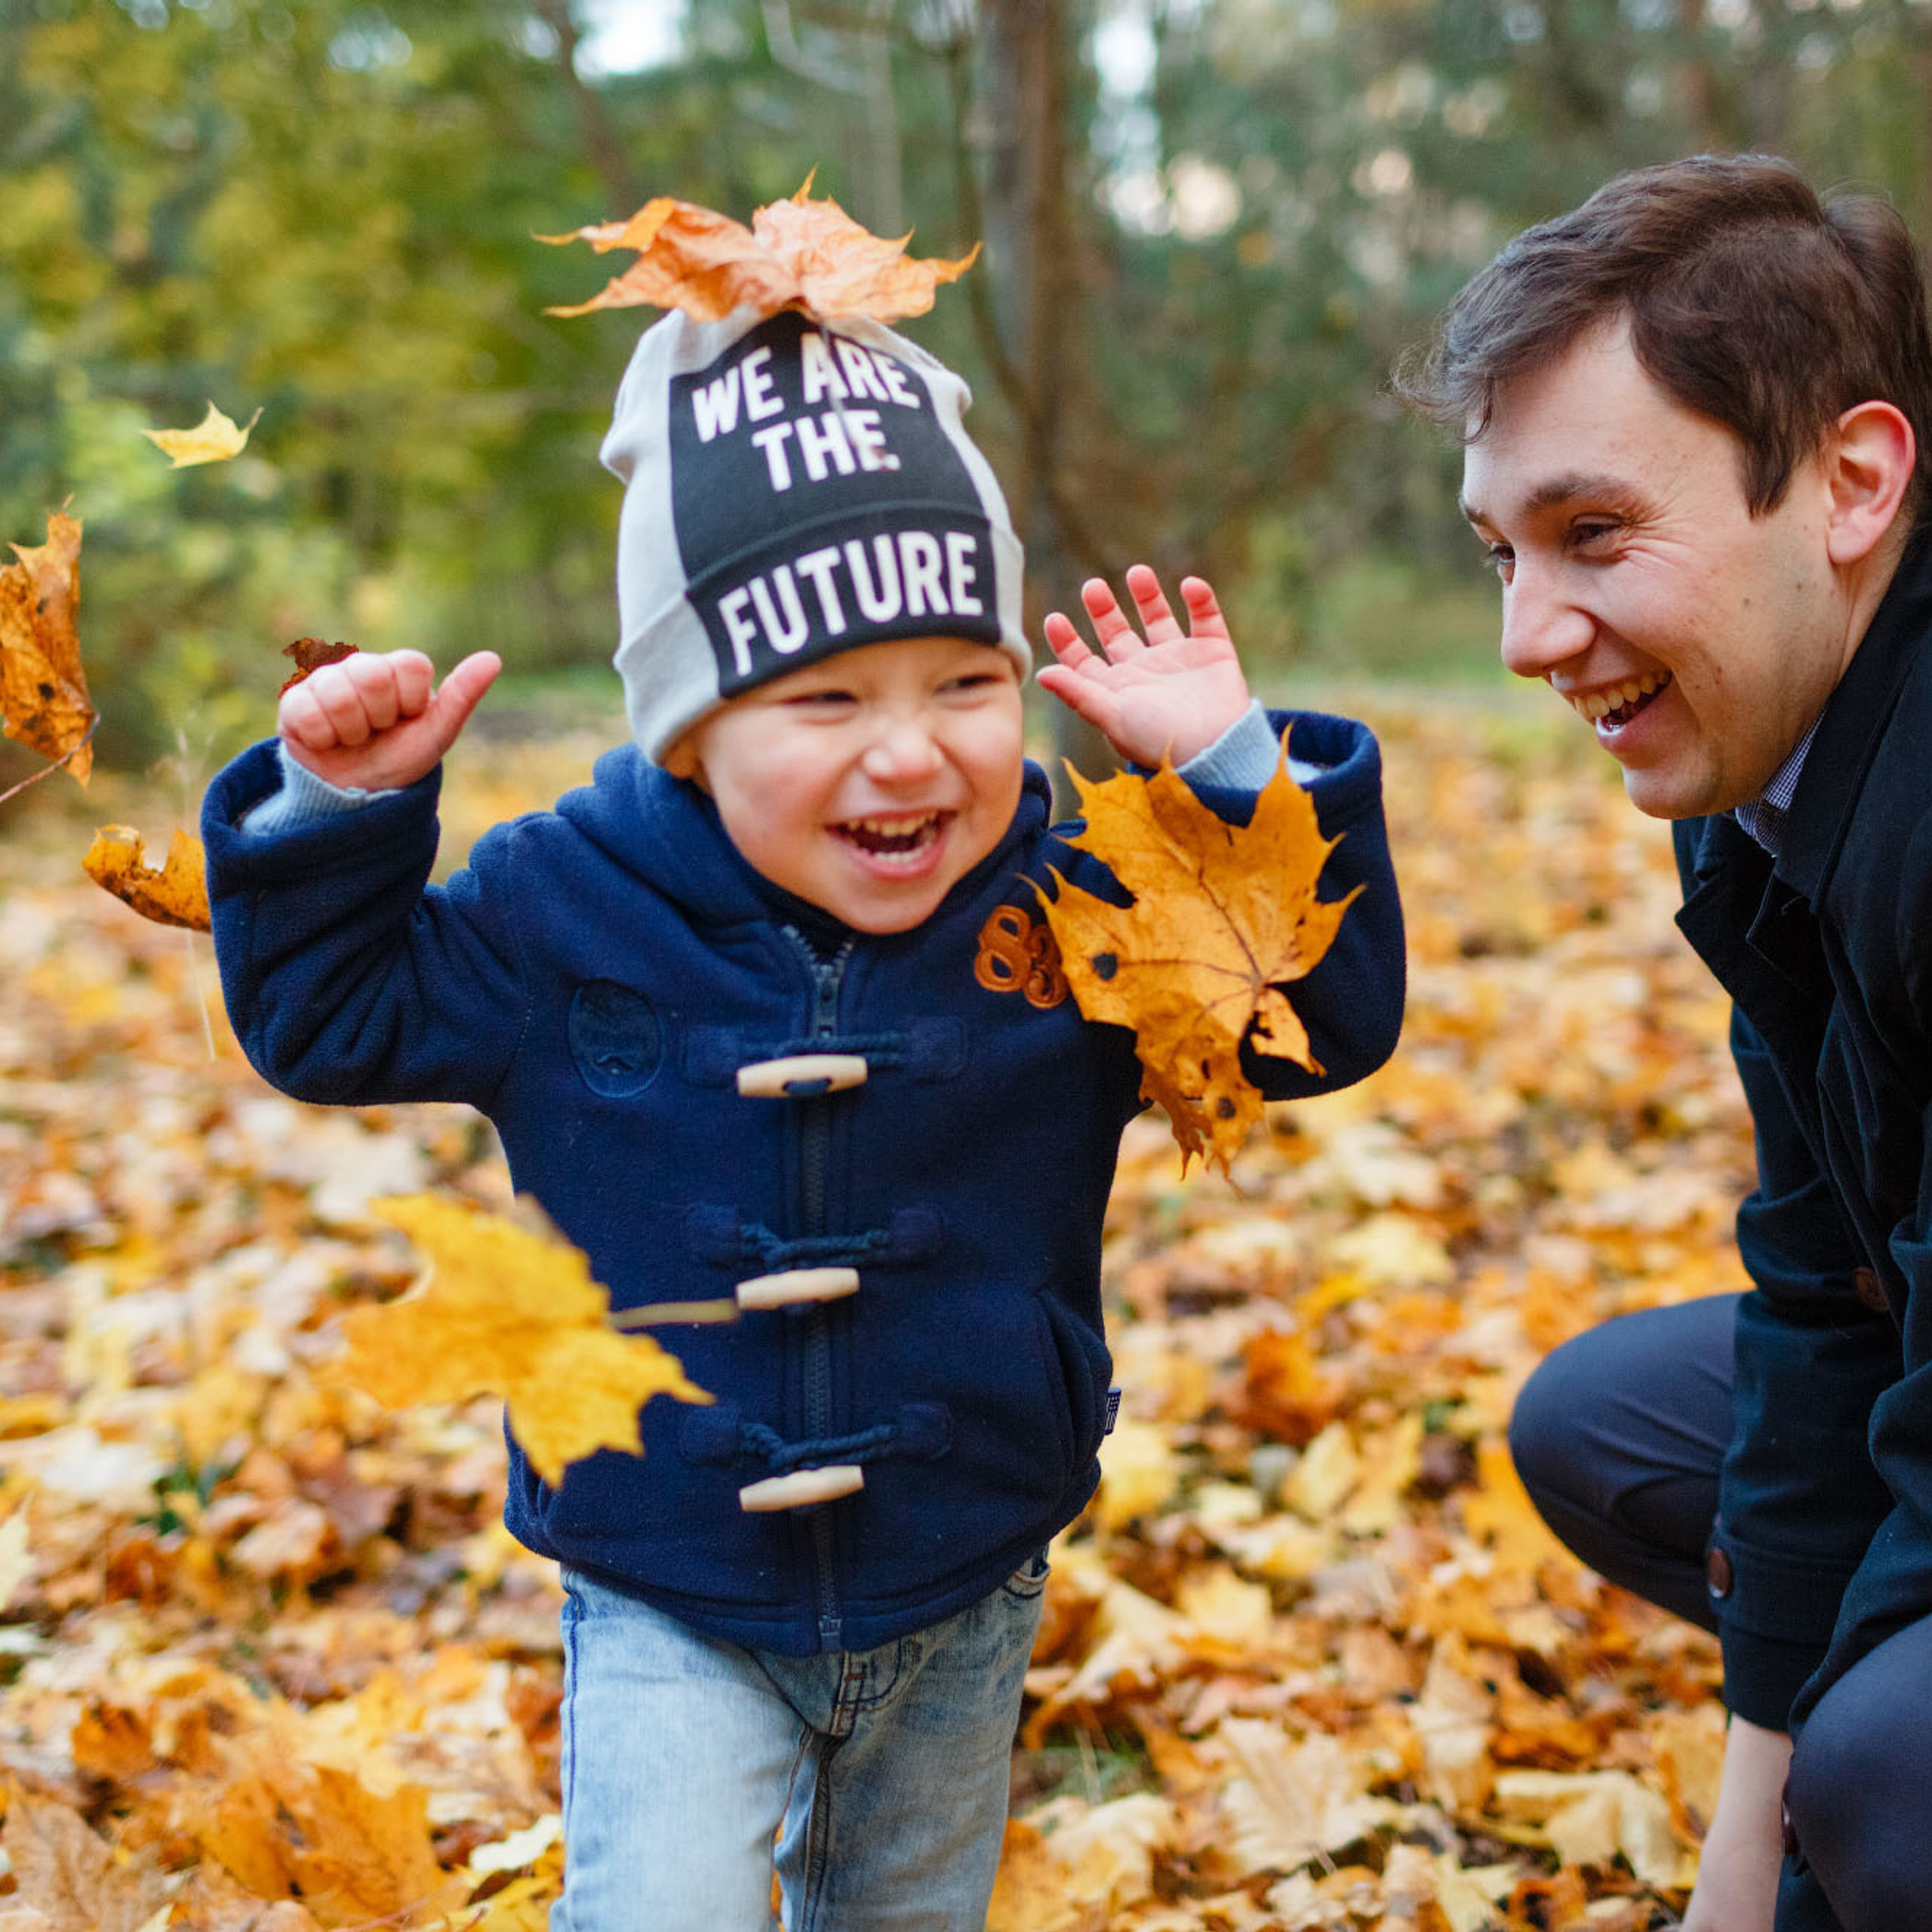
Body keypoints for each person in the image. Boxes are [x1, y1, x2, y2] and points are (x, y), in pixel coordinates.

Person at [202, 295, 1405, 1930]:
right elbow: (326, 1019)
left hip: (963, 1559)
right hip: (667, 1575)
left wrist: (1239, 776)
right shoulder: (567, 903)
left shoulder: (1070, 912)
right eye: (822, 701)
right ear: (691, 728)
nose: (909, 753)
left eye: (965, 680)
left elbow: (1311, 1021)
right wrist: (339, 814)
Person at [1398, 152, 1932, 1932]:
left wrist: (1797, 1832)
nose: (1524, 635)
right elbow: (1827, 1284)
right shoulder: (1759, 761)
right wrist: (1729, 1859)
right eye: (1500, 551)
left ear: (1850, 482)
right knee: (1604, 1424)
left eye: (1593, 534)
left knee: (1891, 1780)